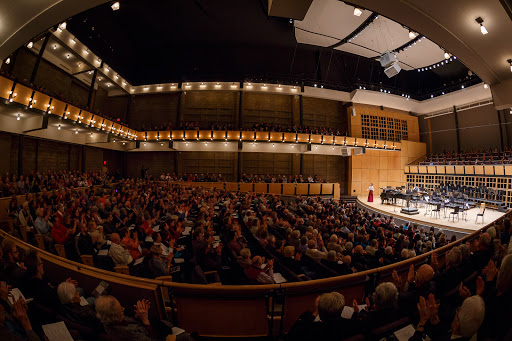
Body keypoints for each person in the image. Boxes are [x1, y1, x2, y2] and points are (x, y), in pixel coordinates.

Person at [288, 292, 360, 341]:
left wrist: (316, 312)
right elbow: (354, 323)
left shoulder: (310, 329)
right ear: (341, 311)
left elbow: (293, 333)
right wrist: (356, 312)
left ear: (321, 313)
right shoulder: (348, 325)